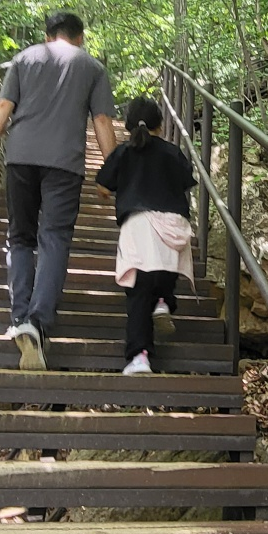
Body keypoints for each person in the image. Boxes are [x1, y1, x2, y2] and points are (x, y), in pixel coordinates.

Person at [0, 11, 117, 371]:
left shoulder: (24, 58)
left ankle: (19, 316)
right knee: (54, 238)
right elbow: (101, 121)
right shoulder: (93, 68)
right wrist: (111, 170)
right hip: (65, 163)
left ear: (47, 35)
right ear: (80, 37)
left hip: (20, 158)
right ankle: (37, 321)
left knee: (20, 238)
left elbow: (4, 106)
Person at [95, 96, 196, 376]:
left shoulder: (123, 153)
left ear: (127, 126)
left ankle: (140, 357)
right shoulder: (172, 152)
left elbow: (102, 186)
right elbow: (187, 180)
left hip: (139, 225)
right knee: (165, 267)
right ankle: (164, 301)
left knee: (139, 292)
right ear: (161, 126)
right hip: (173, 223)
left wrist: (113, 191)